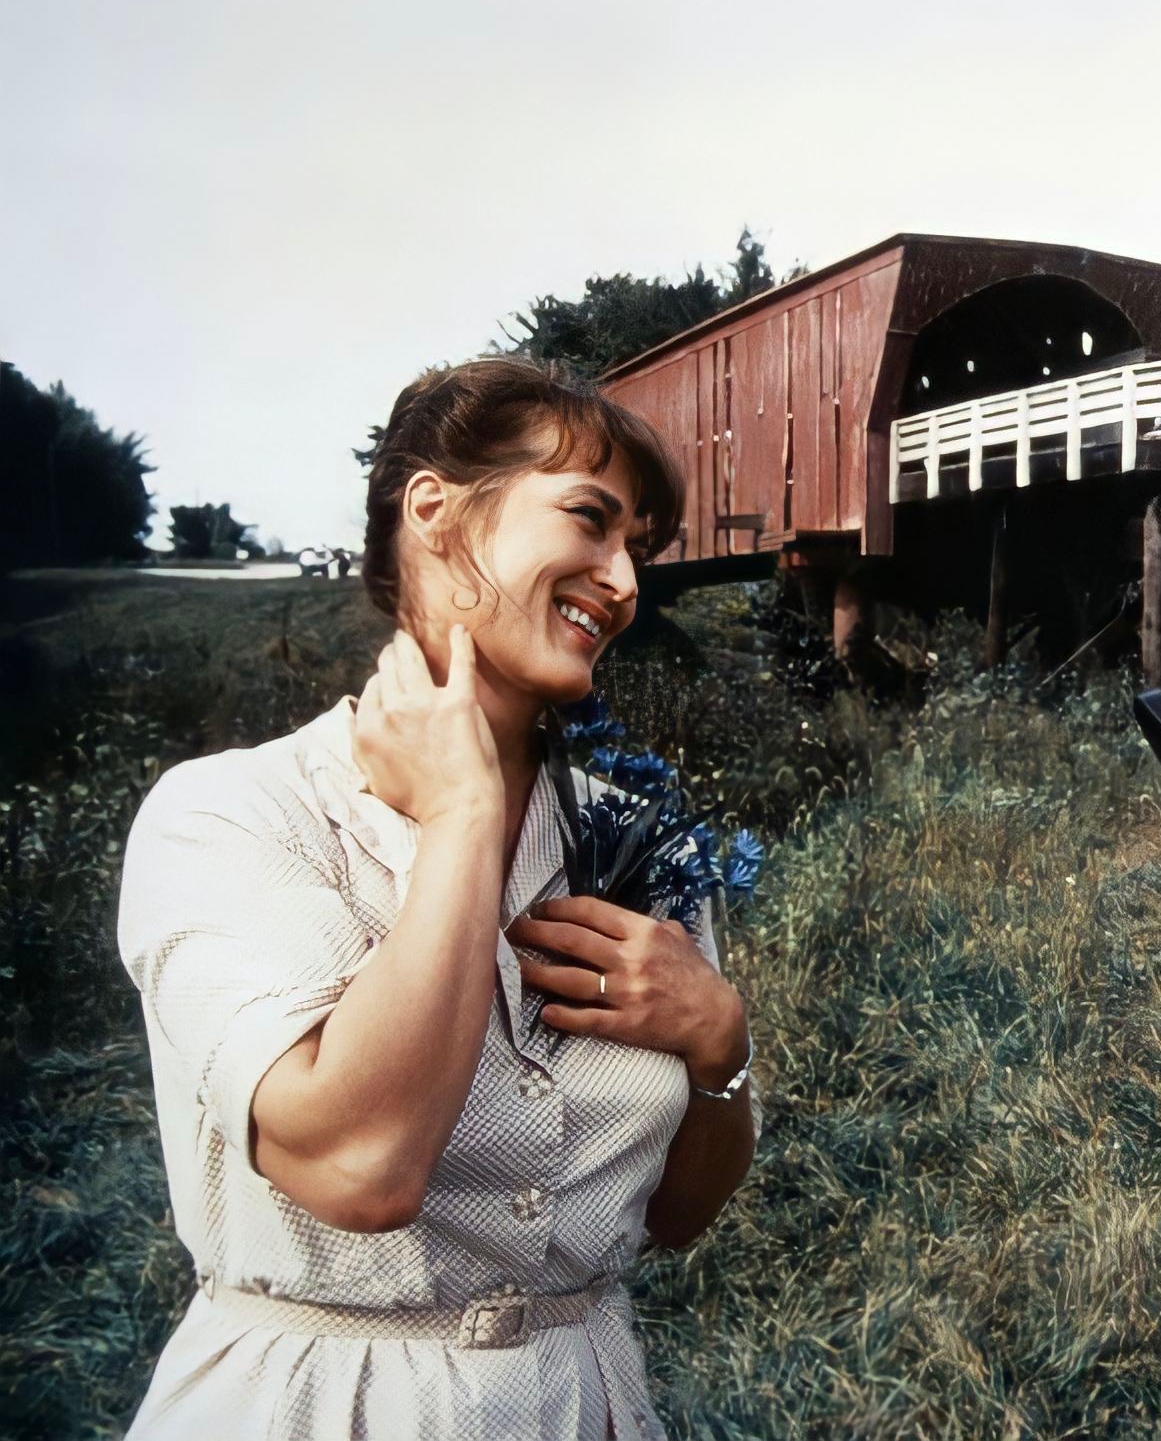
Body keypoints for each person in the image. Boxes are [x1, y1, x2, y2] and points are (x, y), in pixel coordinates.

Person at [117, 357, 757, 1439]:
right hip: (318, 1406)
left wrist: (719, 1045)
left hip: (581, 1402)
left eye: (637, 548)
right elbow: (361, 1166)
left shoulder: (630, 838)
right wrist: (462, 814)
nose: (625, 582)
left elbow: (674, 1217)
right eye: (589, 520)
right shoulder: (232, 814)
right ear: (434, 509)